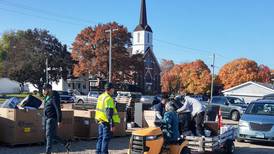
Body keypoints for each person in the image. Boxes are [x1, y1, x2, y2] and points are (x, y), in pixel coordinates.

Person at [43, 84, 70, 154]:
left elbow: (58, 109)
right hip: (46, 118)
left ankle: (48, 152)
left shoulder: (54, 97)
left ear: (49, 89)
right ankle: (65, 143)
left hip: (52, 119)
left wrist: (59, 120)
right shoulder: (46, 97)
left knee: (49, 135)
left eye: (45, 89)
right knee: (52, 135)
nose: (44, 91)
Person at [95, 83, 120, 154]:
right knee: (105, 139)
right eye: (113, 88)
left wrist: (96, 118)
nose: (114, 90)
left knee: (100, 138)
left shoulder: (101, 96)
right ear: (110, 89)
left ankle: (98, 152)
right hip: (106, 122)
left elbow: (97, 109)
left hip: (100, 120)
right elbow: (109, 114)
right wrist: (112, 125)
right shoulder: (109, 99)